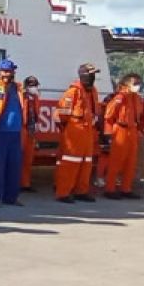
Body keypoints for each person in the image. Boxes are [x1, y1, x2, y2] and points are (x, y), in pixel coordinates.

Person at [0, 59, 30, 207]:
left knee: (14, 167)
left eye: (10, 71)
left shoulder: (18, 89)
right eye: (5, 71)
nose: (8, 74)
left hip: (15, 133)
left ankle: (11, 198)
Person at [54, 63, 101, 203]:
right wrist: (68, 129)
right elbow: (61, 113)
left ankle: (82, 191)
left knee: (86, 162)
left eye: (94, 74)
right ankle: (63, 193)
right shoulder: (72, 92)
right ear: (83, 75)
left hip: (88, 129)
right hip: (75, 128)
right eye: (91, 74)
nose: (93, 77)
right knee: (70, 162)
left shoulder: (93, 91)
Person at [102, 73, 144, 199]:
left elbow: (139, 116)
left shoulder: (136, 98)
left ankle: (126, 188)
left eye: (138, 83)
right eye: (135, 83)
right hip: (120, 129)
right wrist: (108, 133)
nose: (138, 86)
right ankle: (110, 189)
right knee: (116, 162)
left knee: (130, 162)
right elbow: (108, 115)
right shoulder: (120, 97)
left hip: (133, 130)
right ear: (126, 84)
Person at [20, 75, 42, 192]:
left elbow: (35, 114)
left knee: (28, 159)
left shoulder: (35, 97)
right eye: (31, 84)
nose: (34, 87)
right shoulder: (22, 96)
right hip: (22, 129)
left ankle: (25, 183)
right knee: (19, 158)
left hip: (31, 130)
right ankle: (17, 182)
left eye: (35, 84)